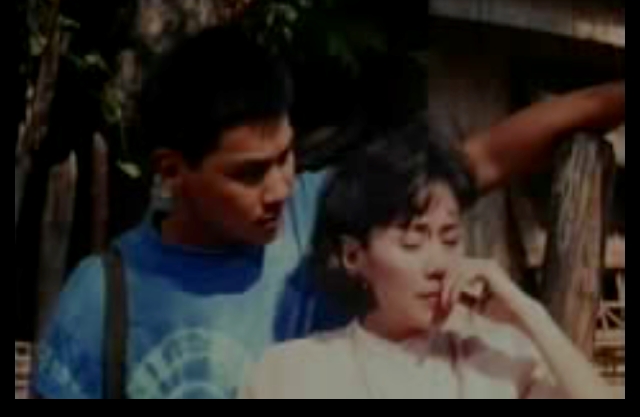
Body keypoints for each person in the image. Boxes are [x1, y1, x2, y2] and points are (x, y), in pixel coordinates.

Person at [35, 25, 624, 399]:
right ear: (171, 170)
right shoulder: (103, 300)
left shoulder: (316, 213)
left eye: (287, 156)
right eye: (250, 173)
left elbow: (484, 158)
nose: (279, 186)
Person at [240, 124, 614, 399]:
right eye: (412, 242)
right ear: (353, 256)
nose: (439, 263)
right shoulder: (292, 373)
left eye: (450, 239)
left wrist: (529, 313)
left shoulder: (498, 362)